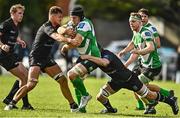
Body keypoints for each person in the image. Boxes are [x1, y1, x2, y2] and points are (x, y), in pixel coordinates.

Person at [4, 6, 78, 112]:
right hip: (36, 57)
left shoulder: (56, 26)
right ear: (52, 15)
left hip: (46, 59)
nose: (60, 19)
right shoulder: (47, 27)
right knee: (31, 84)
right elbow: (57, 37)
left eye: (61, 18)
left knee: (62, 80)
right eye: (59, 17)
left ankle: (73, 106)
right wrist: (69, 40)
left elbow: (61, 30)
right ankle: (12, 103)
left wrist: (69, 32)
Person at [80, 48, 179, 115]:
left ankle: (171, 101)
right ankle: (110, 110)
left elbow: (104, 63)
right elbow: (90, 67)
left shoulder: (106, 54)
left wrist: (88, 57)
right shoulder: (96, 58)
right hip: (116, 81)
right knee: (100, 97)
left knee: (150, 96)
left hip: (130, 80)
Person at [118, 12, 174, 114]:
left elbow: (151, 47)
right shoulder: (136, 33)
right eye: (130, 22)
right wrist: (124, 53)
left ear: (140, 22)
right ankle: (153, 103)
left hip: (153, 66)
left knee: (137, 85)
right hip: (143, 65)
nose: (131, 24)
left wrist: (138, 52)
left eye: (133, 22)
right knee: (135, 85)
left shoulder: (146, 32)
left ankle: (154, 102)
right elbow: (133, 46)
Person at [58, 5, 101, 112]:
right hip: (83, 57)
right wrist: (65, 31)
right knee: (76, 81)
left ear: (80, 17)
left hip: (92, 57)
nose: (72, 20)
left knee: (71, 75)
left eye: (74, 18)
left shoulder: (84, 24)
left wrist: (65, 45)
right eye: (71, 17)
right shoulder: (72, 23)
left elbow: (77, 42)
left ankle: (86, 95)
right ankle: (82, 110)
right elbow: (59, 28)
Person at [0, 4, 33, 110]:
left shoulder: (15, 25)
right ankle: (24, 104)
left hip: (11, 55)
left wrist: (19, 40)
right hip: (4, 56)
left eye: (22, 13)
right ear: (12, 13)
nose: (21, 15)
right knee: (23, 78)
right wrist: (2, 45)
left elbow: (12, 35)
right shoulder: (6, 24)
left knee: (26, 75)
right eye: (19, 13)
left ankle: (10, 98)